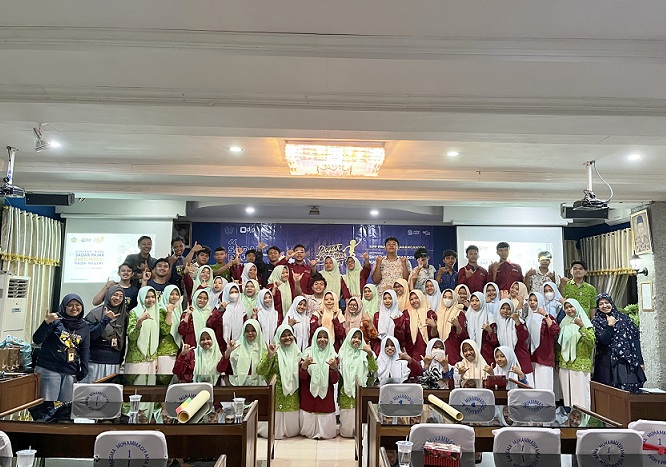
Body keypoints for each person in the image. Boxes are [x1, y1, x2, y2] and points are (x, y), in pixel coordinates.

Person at [33, 294, 90, 401]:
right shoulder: (55, 320)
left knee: (65, 407)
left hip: (70, 372)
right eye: (70, 305)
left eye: (77, 305)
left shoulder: (84, 326)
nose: (74, 308)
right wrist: (46, 323)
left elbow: (85, 350)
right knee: (48, 405)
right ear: (64, 306)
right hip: (50, 370)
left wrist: (84, 370)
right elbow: (37, 339)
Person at [592, 293, 646, 392]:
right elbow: (603, 341)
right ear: (598, 307)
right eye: (601, 304)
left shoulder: (625, 318)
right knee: (611, 393)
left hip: (628, 361)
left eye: (607, 302)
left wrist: (640, 361)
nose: (604, 306)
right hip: (608, 364)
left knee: (630, 392)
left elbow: (635, 340)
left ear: (611, 303)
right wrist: (610, 326)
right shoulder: (596, 322)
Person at [257, 324, 301, 439]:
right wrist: (269, 356)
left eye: (289, 334)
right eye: (283, 335)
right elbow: (260, 370)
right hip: (276, 393)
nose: (287, 338)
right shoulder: (273, 351)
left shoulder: (297, 352)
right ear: (278, 337)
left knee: (292, 430)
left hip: (292, 394)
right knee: (273, 430)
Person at [299, 327, 339, 439]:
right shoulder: (307, 354)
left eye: (325, 337)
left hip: (326, 396)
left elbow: (334, 380)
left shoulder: (333, 355)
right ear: (314, 339)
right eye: (319, 337)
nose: (322, 339)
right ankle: (309, 432)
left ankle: (324, 432)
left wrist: (334, 368)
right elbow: (302, 377)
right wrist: (304, 365)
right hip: (309, 395)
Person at [338, 328, 378, 438]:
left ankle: (360, 434)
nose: (356, 340)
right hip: (346, 391)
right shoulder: (342, 353)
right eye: (354, 337)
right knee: (346, 430)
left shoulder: (366, 353)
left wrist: (369, 353)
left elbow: (374, 369)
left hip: (361, 390)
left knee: (361, 420)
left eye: (359, 338)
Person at [83, 285, 127, 382]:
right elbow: (90, 336)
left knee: (109, 390)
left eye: (121, 296)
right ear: (108, 295)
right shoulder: (95, 313)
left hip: (114, 361)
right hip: (95, 360)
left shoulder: (124, 316)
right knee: (92, 389)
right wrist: (106, 320)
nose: (118, 298)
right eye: (115, 295)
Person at [558, 298, 595, 409]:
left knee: (581, 398)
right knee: (568, 398)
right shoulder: (563, 323)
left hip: (580, 365)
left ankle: (583, 419)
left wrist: (581, 326)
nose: (569, 310)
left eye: (571, 307)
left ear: (577, 307)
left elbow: (591, 342)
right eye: (566, 308)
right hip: (565, 365)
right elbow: (558, 345)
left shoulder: (586, 323)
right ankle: (570, 418)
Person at [526, 291, 560, 391]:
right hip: (532, 357)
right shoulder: (528, 318)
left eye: (535, 300)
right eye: (530, 300)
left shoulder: (547, 318)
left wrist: (545, 315)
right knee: (533, 389)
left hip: (544, 357)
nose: (532, 302)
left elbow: (555, 330)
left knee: (544, 388)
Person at [495, 298, 532, 386]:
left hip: (520, 357)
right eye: (503, 308)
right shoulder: (497, 323)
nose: (505, 311)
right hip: (504, 361)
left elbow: (523, 337)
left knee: (525, 386)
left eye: (508, 309)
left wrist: (517, 321)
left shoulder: (518, 321)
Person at [221, 319, 267, 386]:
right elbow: (222, 369)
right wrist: (228, 352)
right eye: (247, 331)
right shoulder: (236, 346)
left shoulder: (264, 348)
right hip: (237, 385)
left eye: (253, 330)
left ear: (258, 331)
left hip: (260, 386)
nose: (250, 333)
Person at [125, 286, 160, 375]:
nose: (150, 300)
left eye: (153, 297)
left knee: (150, 384)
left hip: (151, 359)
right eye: (147, 297)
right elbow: (132, 336)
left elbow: (155, 338)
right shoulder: (134, 312)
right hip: (136, 359)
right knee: (137, 383)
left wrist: (155, 358)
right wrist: (139, 321)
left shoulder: (156, 313)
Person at [464, 292, 498, 365]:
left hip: (486, 353)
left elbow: (494, 341)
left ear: (482, 301)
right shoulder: (467, 315)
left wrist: (489, 330)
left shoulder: (489, 317)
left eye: (477, 300)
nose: (474, 303)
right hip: (470, 353)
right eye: (472, 301)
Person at [402, 290, 436, 363]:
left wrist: (434, 326)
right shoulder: (406, 314)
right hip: (411, 350)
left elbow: (434, 336)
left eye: (416, 298)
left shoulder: (430, 313)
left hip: (428, 350)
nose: (414, 301)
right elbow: (403, 334)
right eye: (411, 299)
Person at [436, 288, 466, 366]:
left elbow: (463, 335)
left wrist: (457, 325)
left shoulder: (459, 313)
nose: (447, 300)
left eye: (450, 297)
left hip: (453, 349)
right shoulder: (437, 313)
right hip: (439, 349)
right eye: (445, 297)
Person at [371, 290, 405, 355]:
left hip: (396, 349)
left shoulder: (400, 315)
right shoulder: (377, 315)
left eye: (390, 298)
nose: (387, 301)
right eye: (385, 299)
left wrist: (397, 322)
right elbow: (375, 336)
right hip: (380, 349)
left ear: (394, 299)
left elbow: (402, 337)